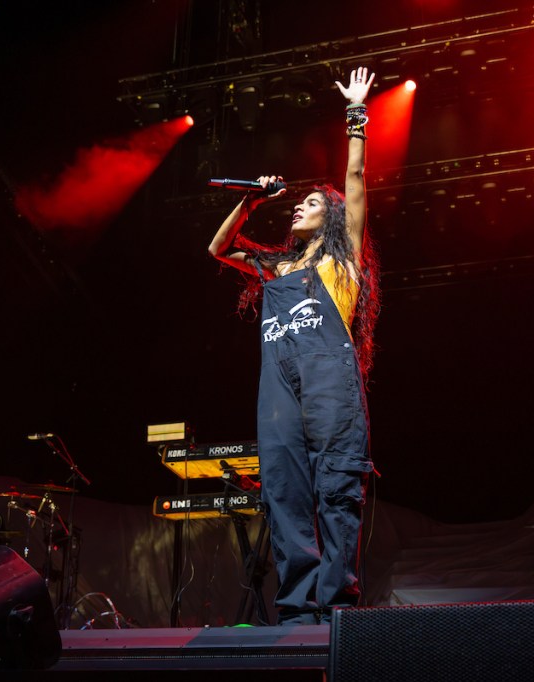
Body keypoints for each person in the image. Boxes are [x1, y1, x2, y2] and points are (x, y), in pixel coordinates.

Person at [207, 66, 381, 625]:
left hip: (329, 386)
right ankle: (298, 608)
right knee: (284, 493)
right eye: (298, 203)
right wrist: (251, 201)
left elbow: (355, 177)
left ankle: (337, 607)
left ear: (333, 217)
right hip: (279, 389)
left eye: (311, 203)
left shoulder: (342, 259)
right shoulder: (276, 267)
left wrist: (356, 114)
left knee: (336, 490)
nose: (299, 207)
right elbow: (218, 248)